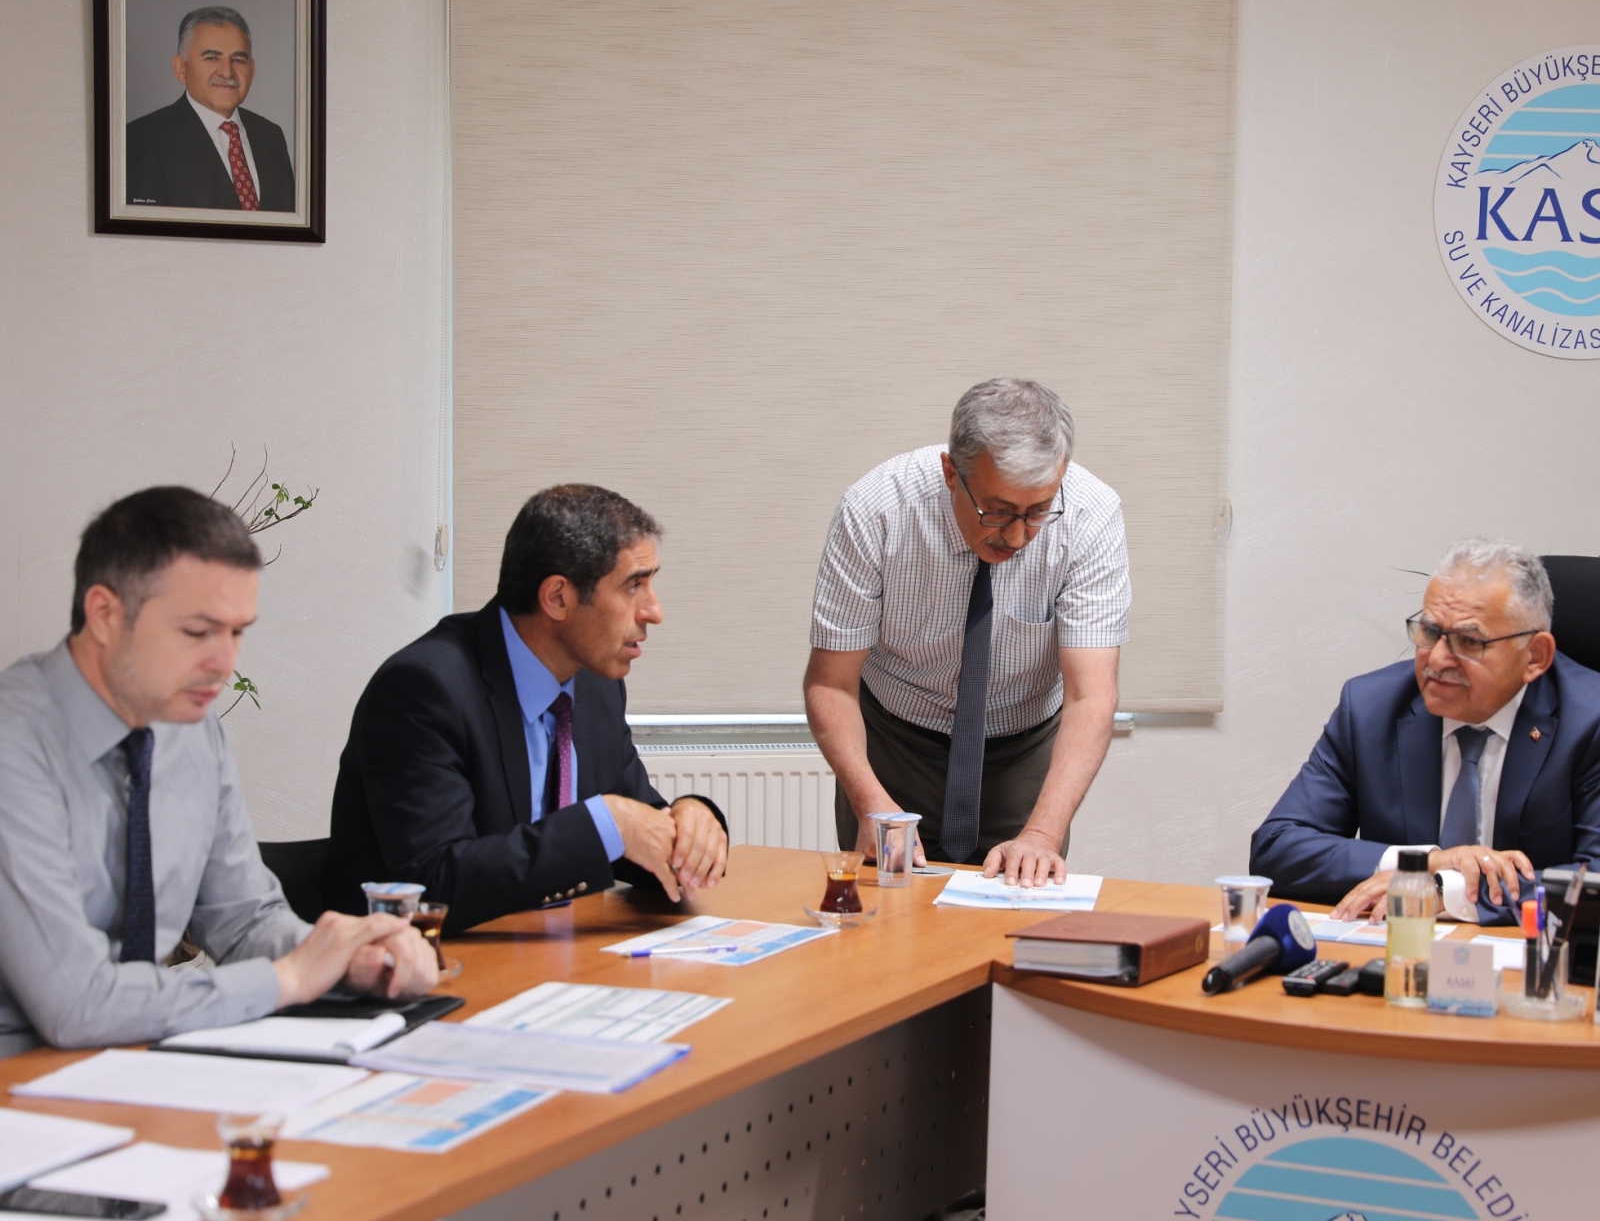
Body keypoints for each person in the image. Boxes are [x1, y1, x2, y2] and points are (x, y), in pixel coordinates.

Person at [0, 488, 438, 1057]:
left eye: (236, 632)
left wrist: (348, 960)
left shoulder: (192, 731)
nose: (224, 664)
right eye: (197, 632)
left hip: (133, 1054)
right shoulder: (16, 743)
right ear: (104, 614)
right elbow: (76, 1004)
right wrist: (287, 979)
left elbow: (245, 919)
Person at [325, 485, 728, 933]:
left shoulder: (595, 686)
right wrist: (607, 825)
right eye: (634, 586)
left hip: (549, 956)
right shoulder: (424, 690)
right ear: (557, 597)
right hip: (419, 961)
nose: (654, 611)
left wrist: (692, 821)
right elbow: (433, 885)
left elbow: (635, 834)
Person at [806, 378, 1130, 886]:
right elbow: (831, 683)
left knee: (1019, 904)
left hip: (1021, 748)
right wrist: (869, 802)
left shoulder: (1092, 516)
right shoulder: (876, 509)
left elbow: (1091, 695)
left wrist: (1042, 834)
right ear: (951, 472)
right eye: (997, 511)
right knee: (885, 913)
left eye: (1038, 511)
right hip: (894, 742)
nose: (1018, 536)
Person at [1249, 538, 1600, 922]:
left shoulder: (1597, 719)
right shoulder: (1371, 708)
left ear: (1534, 656)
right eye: (1429, 632)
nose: (1437, 659)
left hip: (1523, 958)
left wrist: (1447, 891)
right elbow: (1276, 848)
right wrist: (1423, 863)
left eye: (1469, 641)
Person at [125, 6, 295, 212]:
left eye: (238, 60)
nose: (227, 72)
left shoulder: (271, 136)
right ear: (181, 68)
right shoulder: (141, 139)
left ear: (252, 71)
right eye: (212, 58)